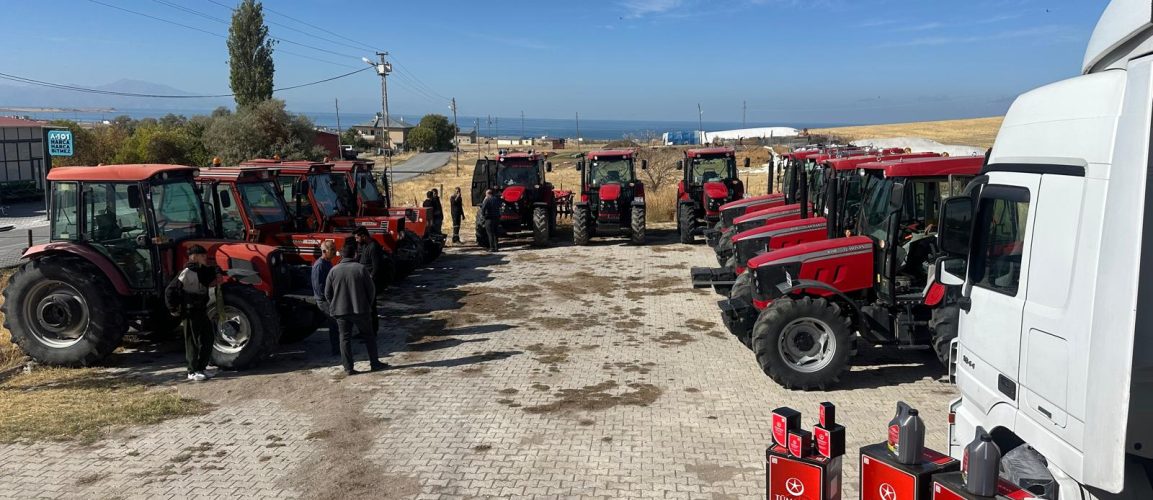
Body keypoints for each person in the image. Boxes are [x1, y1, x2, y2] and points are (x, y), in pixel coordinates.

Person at [324, 241, 387, 375]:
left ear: (341, 256)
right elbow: (371, 290)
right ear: (355, 254)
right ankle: (375, 364)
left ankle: (348, 368)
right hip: (361, 310)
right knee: (369, 336)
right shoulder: (361, 269)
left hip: (341, 311)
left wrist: (334, 304)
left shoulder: (333, 271)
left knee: (344, 339)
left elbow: (327, 293)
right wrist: (367, 304)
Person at [164, 244, 224, 382]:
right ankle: (192, 371)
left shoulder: (203, 271)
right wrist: (173, 309)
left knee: (208, 338)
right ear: (195, 257)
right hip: (190, 311)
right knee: (192, 342)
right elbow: (170, 291)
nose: (205, 258)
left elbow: (213, 269)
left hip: (202, 311)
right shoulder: (186, 273)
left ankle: (201, 368)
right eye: (203, 256)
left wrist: (218, 272)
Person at [353, 226, 389, 334]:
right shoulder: (363, 246)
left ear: (363, 236)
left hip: (370, 283)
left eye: (357, 237)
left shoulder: (373, 247)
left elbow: (377, 267)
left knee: (370, 308)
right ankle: (364, 331)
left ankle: (372, 332)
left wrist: (370, 281)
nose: (356, 240)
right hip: (363, 281)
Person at [311, 239, 340, 357]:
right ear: (324, 251)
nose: (334, 252)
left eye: (334, 249)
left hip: (330, 299)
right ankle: (336, 350)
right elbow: (319, 288)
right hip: (324, 301)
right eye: (331, 249)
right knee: (334, 323)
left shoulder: (328, 263)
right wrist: (330, 300)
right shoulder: (319, 266)